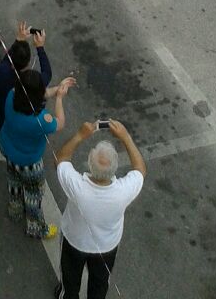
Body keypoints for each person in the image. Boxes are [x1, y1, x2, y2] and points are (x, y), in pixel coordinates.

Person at [54, 119, 147, 299]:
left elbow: (61, 160)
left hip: (74, 241)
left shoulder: (77, 186)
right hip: (107, 247)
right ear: (115, 167)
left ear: (89, 162)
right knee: (100, 283)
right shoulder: (122, 191)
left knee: (70, 280)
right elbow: (140, 169)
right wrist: (125, 137)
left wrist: (80, 135)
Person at [0, 68, 74, 240]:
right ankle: (35, 227)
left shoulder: (11, 96)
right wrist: (60, 97)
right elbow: (60, 123)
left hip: (8, 149)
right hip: (29, 163)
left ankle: (15, 208)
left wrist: (57, 89)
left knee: (14, 180)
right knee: (34, 194)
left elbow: (37, 94)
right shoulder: (41, 120)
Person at [0, 22, 53, 132]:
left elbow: (7, 58)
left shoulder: (2, 70)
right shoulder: (31, 82)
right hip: (12, 125)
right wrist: (40, 47)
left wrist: (18, 40)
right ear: (28, 62)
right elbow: (47, 72)